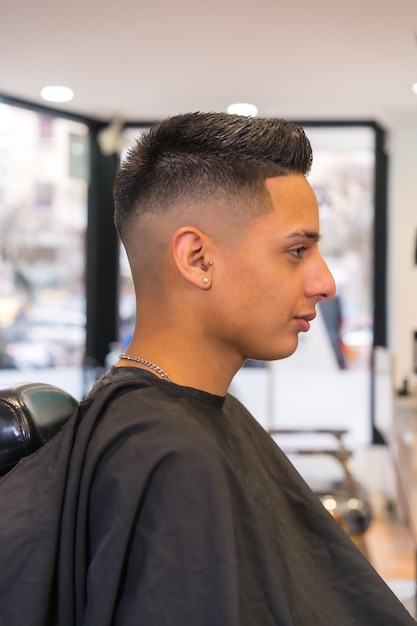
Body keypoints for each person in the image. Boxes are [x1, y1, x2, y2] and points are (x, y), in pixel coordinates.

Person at [0, 112, 414, 625]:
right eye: (298, 250)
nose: (325, 283)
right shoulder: (167, 453)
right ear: (197, 259)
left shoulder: (181, 422)